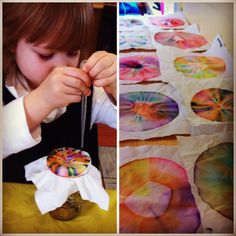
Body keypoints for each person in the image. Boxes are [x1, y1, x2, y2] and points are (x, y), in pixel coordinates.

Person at [3, 3, 117, 182]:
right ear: (11, 43)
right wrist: (42, 99)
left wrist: (116, 85)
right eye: (46, 54)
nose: (62, 67)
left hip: (80, 203)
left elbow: (131, 120)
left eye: (72, 52)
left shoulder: (88, 90)